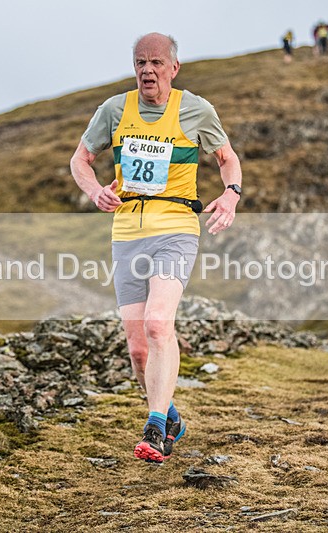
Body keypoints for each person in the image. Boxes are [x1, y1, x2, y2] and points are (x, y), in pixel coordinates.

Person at [70, 33, 242, 464]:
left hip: (176, 228)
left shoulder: (196, 109)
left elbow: (226, 158)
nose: (148, 70)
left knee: (159, 323)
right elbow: (80, 160)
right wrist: (94, 191)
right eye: (141, 62)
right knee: (138, 349)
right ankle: (171, 414)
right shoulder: (114, 110)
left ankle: (156, 428)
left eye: (157, 63)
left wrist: (231, 194)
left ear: (174, 68)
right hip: (127, 232)